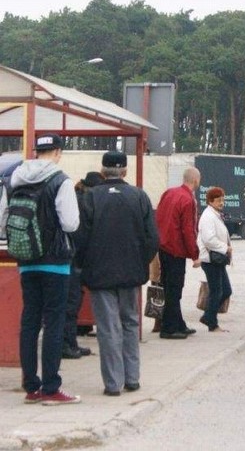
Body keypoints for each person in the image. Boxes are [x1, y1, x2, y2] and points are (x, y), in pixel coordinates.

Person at [75, 151, 159, 396]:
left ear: (102, 171)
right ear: (125, 171)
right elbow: (152, 238)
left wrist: (85, 264)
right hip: (131, 273)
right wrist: (140, 262)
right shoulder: (139, 197)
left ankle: (113, 383)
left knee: (108, 328)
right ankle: (132, 378)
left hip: (100, 274)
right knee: (130, 323)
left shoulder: (91, 197)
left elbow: (80, 237)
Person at [8, 134, 81, 405]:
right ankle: (51, 387)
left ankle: (31, 387)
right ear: (58, 152)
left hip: (26, 260)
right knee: (53, 322)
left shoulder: (17, 178)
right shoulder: (61, 180)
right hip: (55, 262)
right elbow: (71, 223)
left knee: (29, 321)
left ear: (37, 151)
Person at [155, 167, 201, 339]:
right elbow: (188, 230)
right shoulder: (188, 200)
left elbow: (159, 217)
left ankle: (178, 323)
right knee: (175, 289)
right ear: (196, 181)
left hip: (163, 247)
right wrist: (195, 254)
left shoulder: (169, 193)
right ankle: (169, 328)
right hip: (176, 250)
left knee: (168, 286)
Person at [62, 171, 104, 359]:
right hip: (73, 258)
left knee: (71, 301)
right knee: (71, 302)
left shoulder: (77, 197)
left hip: (70, 256)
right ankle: (67, 345)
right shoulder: (85, 202)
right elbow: (80, 234)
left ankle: (70, 343)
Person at [197, 186, 233, 332]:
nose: (221, 203)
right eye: (218, 200)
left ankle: (208, 316)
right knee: (217, 291)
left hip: (217, 259)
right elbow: (209, 239)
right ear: (210, 201)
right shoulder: (208, 216)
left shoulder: (215, 214)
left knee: (226, 290)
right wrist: (226, 248)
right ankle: (211, 322)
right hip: (210, 260)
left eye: (223, 200)